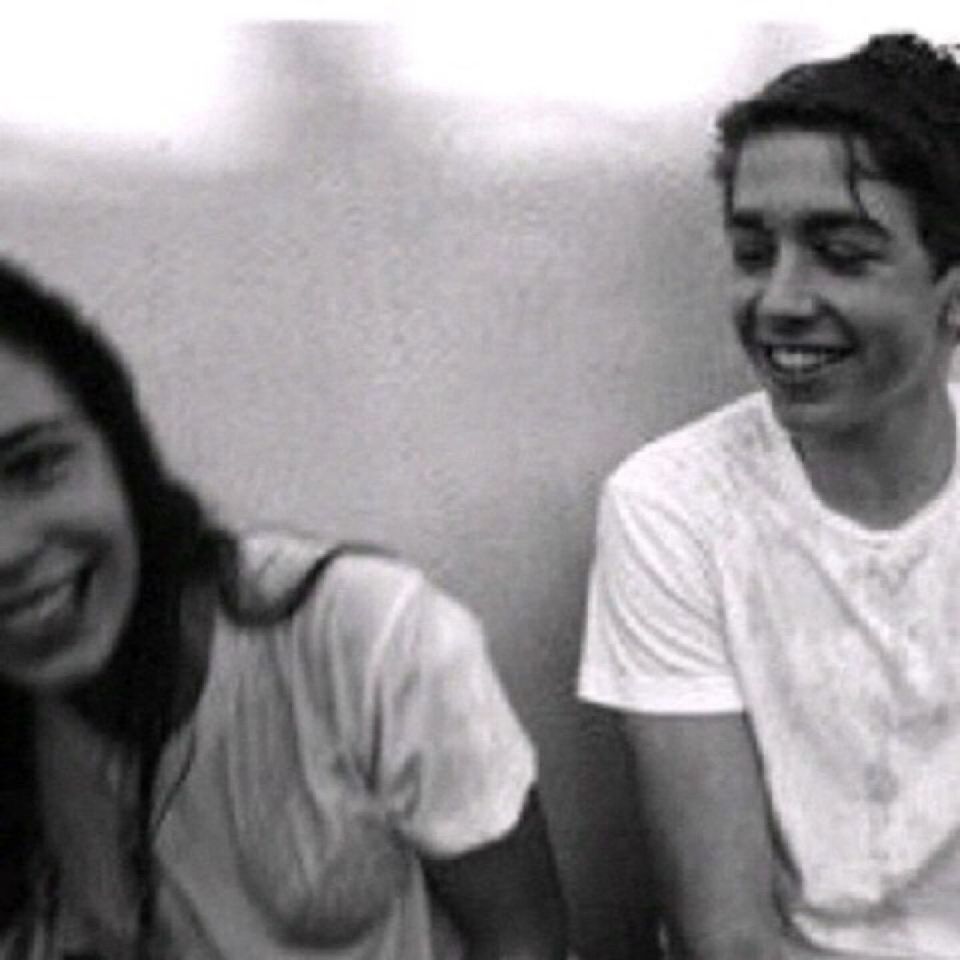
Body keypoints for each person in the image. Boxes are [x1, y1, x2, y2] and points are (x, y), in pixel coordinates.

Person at [0, 257, 568, 960]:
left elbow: (523, 940)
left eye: (34, 465)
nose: (7, 550)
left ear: (120, 452)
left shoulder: (363, 637)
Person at [578, 31, 960, 960]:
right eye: (754, 252)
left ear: (953, 293)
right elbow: (728, 936)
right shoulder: (676, 507)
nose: (780, 300)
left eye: (842, 254)